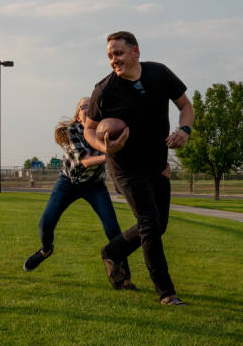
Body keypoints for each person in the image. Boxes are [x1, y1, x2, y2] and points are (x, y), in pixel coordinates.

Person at [84, 31, 194, 306]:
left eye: (118, 53)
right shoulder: (104, 89)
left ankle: (113, 250)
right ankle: (166, 292)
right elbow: (89, 129)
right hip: (125, 168)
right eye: (110, 55)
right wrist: (104, 147)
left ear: (135, 51)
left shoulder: (160, 73)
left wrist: (185, 130)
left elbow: (185, 106)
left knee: (159, 225)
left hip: (157, 165)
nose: (114, 60)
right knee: (149, 224)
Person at [23, 97, 136, 290]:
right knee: (46, 223)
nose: (88, 108)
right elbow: (85, 160)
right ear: (78, 116)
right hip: (68, 182)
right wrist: (111, 153)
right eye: (84, 106)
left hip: (94, 185)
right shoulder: (73, 130)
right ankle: (46, 250)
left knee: (112, 228)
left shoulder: (105, 132)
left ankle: (124, 277)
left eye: (91, 106)